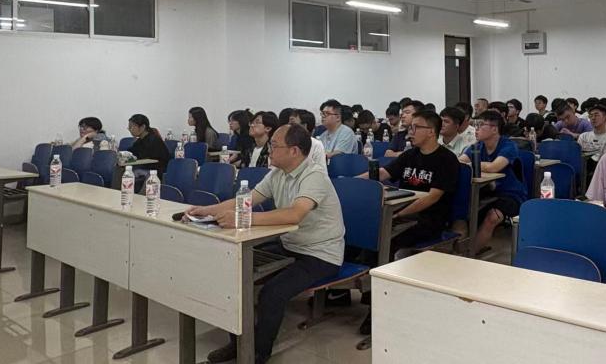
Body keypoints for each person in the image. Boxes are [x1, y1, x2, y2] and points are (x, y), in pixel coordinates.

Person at [194, 124, 344, 364]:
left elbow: (295, 214)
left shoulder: (314, 175)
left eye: (274, 146)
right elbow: (247, 200)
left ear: (294, 151)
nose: (269, 150)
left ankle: (257, 354)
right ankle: (239, 344)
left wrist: (242, 219)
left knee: (272, 293)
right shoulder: (278, 173)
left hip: (320, 254)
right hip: (290, 245)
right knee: (234, 272)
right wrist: (206, 210)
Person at [355, 109, 459, 334]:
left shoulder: (446, 160)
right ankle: (367, 293)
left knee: (387, 243)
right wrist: (352, 182)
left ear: (431, 131)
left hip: (430, 219)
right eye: (410, 127)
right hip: (401, 213)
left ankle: (379, 308)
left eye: (416, 127)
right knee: (362, 237)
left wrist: (398, 215)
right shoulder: (410, 155)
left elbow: (432, 197)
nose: (410, 132)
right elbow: (383, 173)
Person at [459, 110, 527, 254]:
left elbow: (494, 167)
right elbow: (459, 163)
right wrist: (474, 164)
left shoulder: (508, 146)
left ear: (494, 129)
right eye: (475, 125)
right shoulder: (478, 146)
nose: (476, 129)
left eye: (481, 125)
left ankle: (470, 255)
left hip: (510, 195)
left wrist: (473, 165)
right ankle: (462, 248)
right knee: (462, 211)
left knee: (492, 217)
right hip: (486, 192)